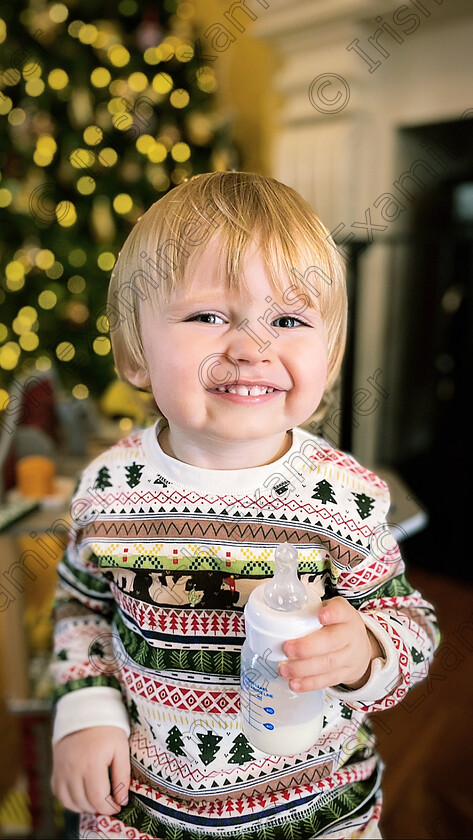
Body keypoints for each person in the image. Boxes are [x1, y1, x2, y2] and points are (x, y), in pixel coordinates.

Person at [50, 171, 439, 840]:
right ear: (137, 351)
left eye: (287, 320)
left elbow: (411, 625)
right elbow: (79, 608)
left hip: (317, 813)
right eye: (207, 315)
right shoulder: (109, 487)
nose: (251, 347)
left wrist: (366, 652)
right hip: (142, 812)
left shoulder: (342, 498)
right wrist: (85, 710)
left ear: (328, 354)